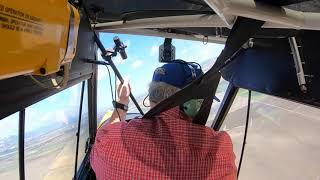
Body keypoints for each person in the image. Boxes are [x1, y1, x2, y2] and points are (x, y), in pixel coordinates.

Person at [90, 61, 237, 180]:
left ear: (153, 98)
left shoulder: (108, 142)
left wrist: (122, 101)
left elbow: (106, 132)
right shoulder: (218, 148)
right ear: (188, 102)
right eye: (200, 100)